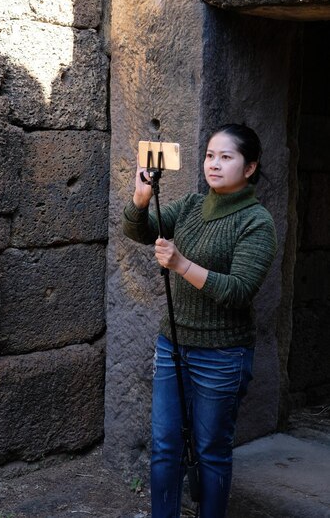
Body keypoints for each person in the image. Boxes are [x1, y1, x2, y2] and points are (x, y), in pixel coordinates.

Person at [122, 124, 278, 518]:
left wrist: (181, 264)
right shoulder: (192, 206)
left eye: (227, 157)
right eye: (210, 155)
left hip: (222, 355)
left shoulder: (257, 222)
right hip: (173, 343)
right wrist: (141, 200)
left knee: (210, 450)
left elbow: (239, 289)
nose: (214, 164)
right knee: (165, 446)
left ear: (249, 167)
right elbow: (141, 231)